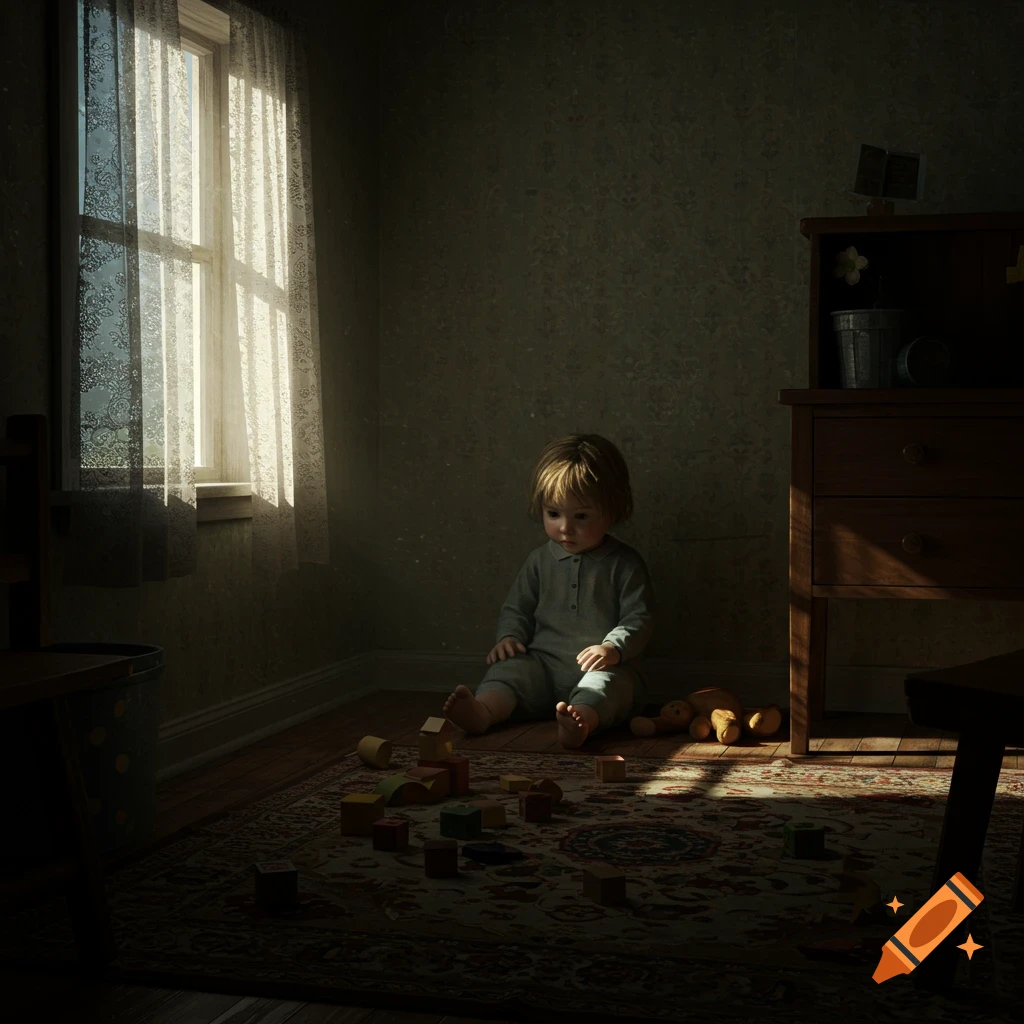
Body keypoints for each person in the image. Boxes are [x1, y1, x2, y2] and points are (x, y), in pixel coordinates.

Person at [443, 433, 654, 749]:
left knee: (610, 687)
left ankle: (579, 722)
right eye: (554, 514)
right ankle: (483, 710)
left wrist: (612, 648)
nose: (565, 528)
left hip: (601, 667)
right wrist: (509, 637)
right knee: (509, 671)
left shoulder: (624, 564)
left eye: (581, 516)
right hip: (542, 665)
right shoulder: (539, 560)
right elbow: (518, 607)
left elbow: (639, 618)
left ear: (611, 509)